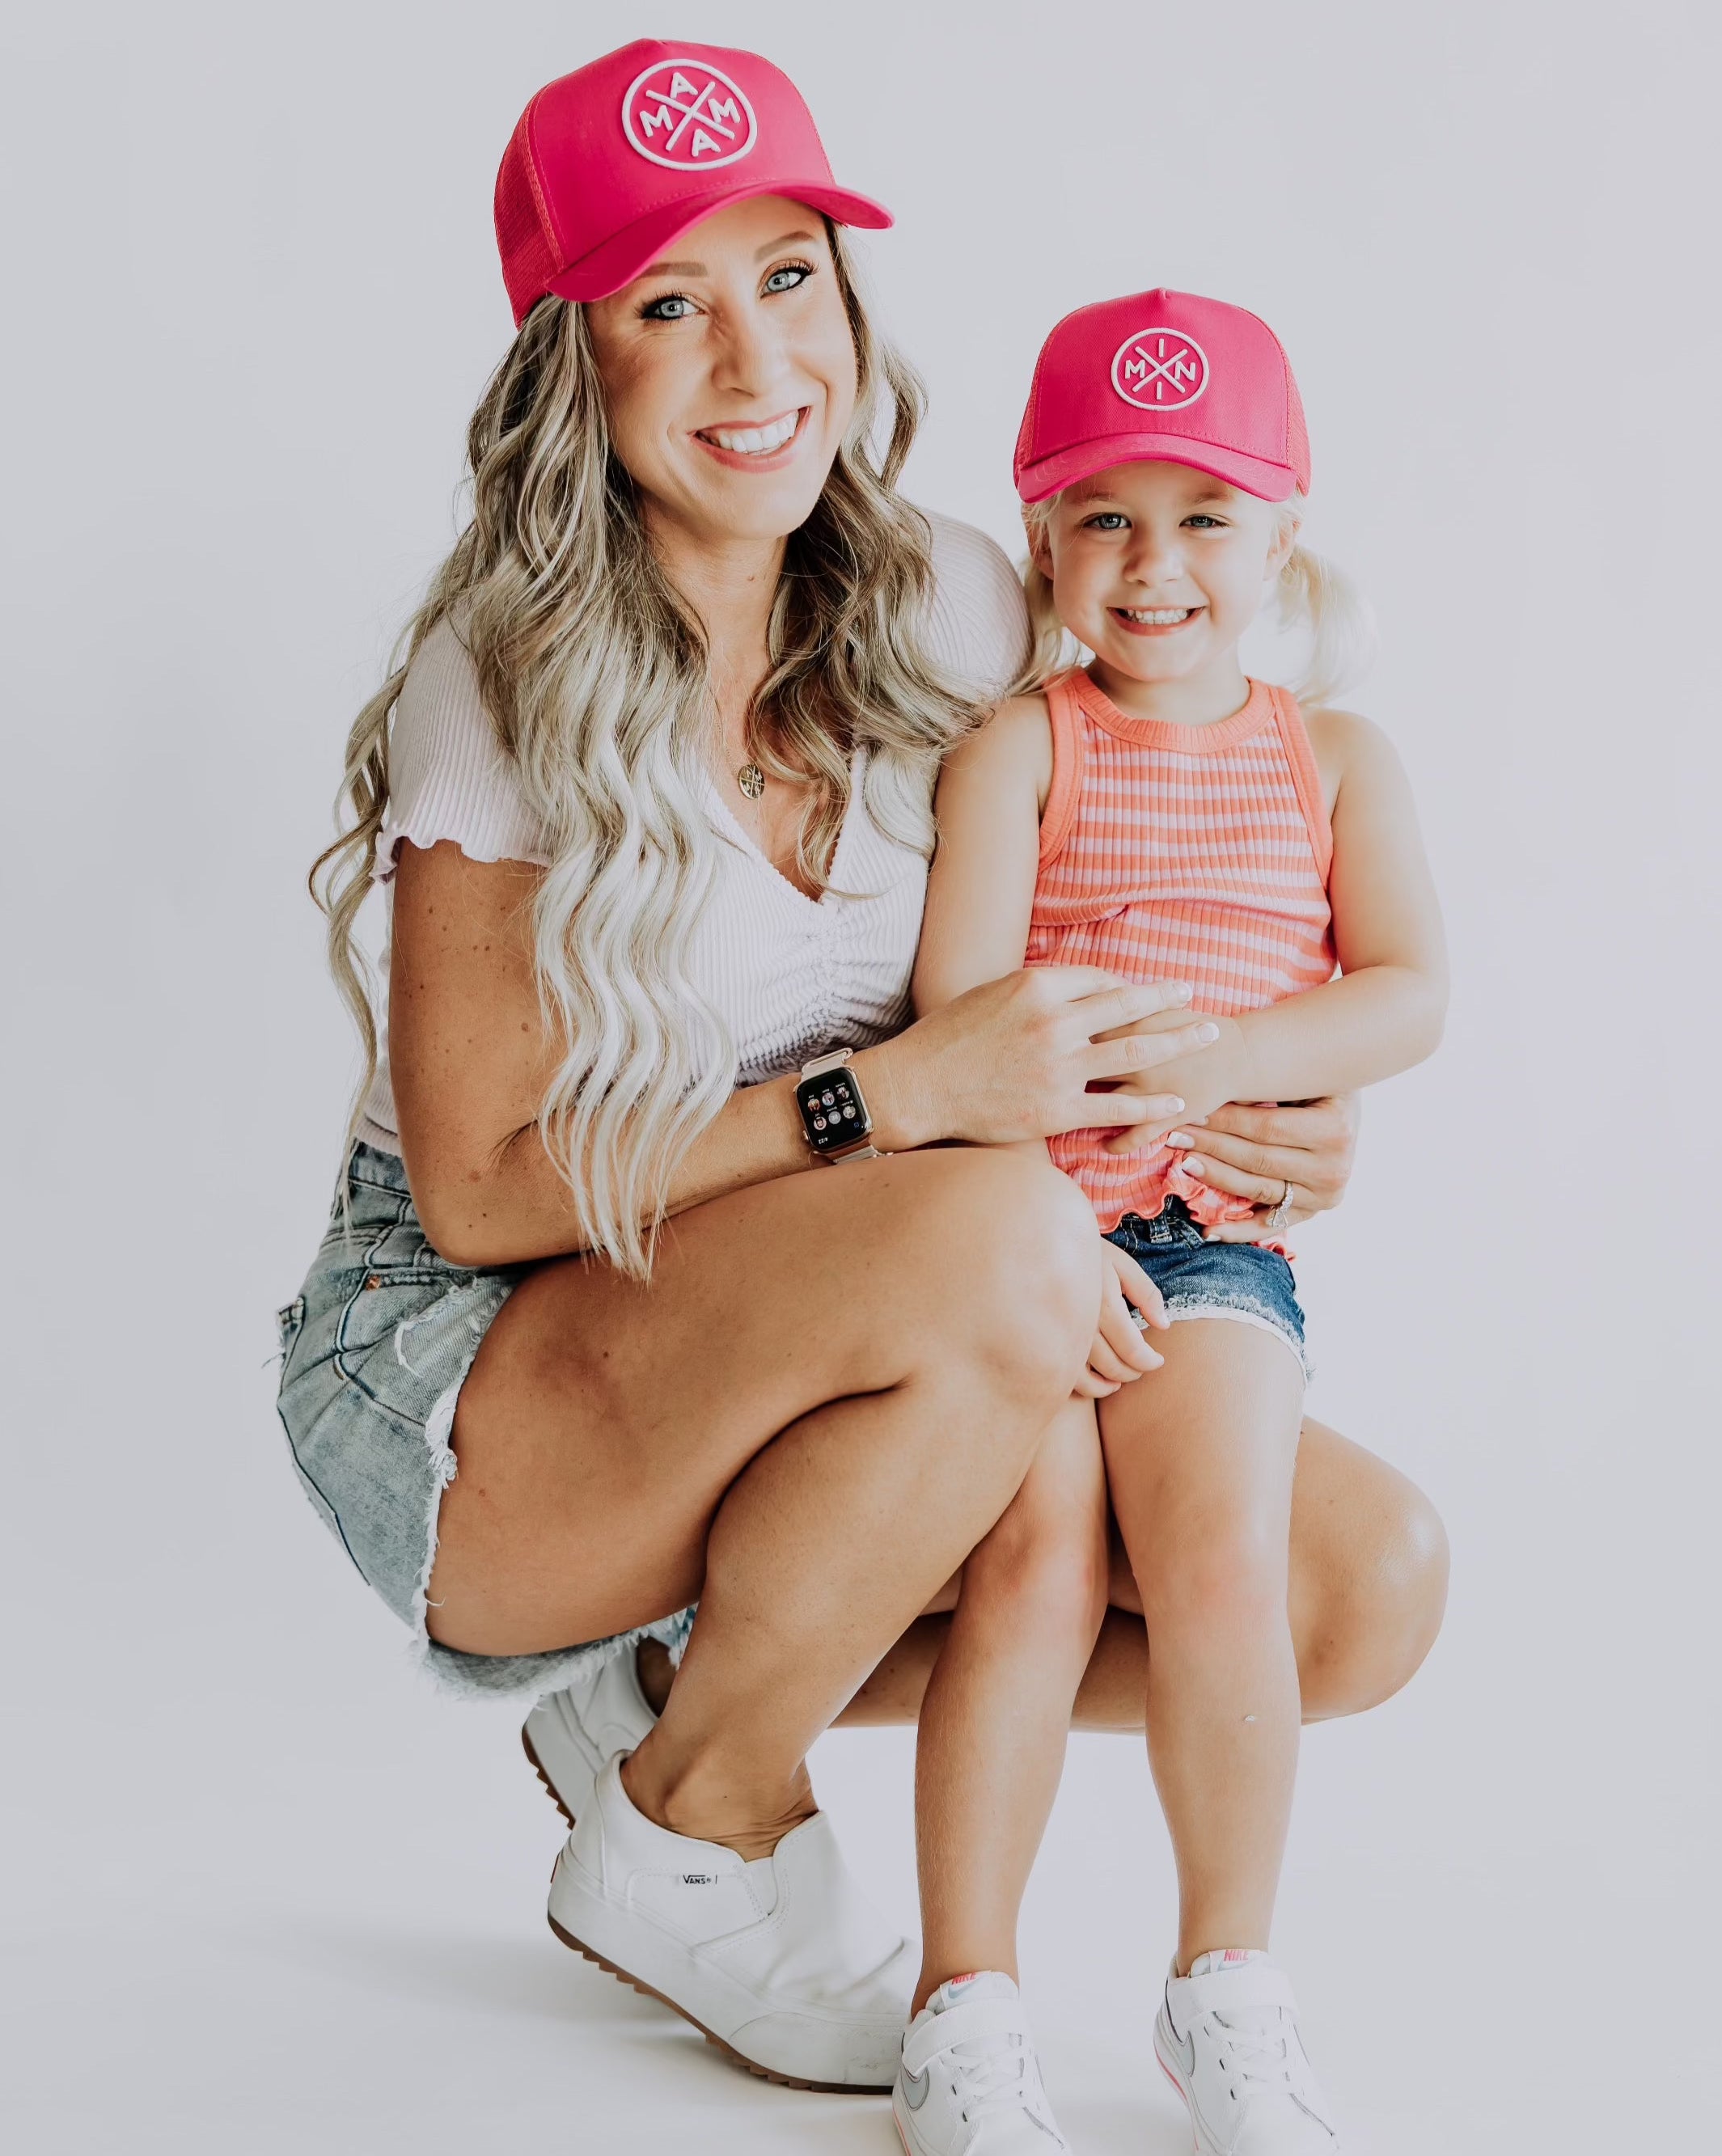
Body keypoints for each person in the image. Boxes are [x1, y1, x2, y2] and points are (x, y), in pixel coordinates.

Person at [274, 38, 1446, 2101]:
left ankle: (671, 1676)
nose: (752, 359)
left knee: (1350, 1588)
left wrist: (1269, 1092)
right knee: (995, 1232)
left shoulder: (955, 602)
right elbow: (473, 1186)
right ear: (575, 365)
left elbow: (1155, 903)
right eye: (668, 303)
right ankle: (695, 1810)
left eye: (788, 276)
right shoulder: (508, 671)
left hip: (871, 1291)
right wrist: (889, 1106)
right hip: (478, 1368)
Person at [884, 290, 1449, 2155]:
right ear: (1039, 538)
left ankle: (1228, 1987)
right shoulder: (1020, 750)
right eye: (1104, 515)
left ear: (1281, 532)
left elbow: (1405, 989)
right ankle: (962, 2005)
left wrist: (1222, 1063)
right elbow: (963, 1015)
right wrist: (1036, 1218)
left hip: (1207, 1243)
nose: (1153, 563)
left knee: (1218, 1561)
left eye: (1202, 512)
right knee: (1031, 1574)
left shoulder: (1333, 757)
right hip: (1027, 1244)